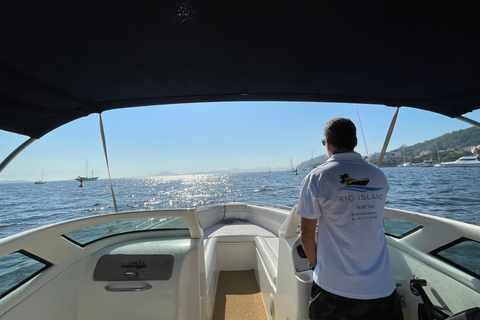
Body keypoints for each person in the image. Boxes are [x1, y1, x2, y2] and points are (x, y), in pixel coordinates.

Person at [297, 118, 403, 320]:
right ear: (355, 141)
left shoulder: (317, 177)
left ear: (327, 144)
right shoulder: (378, 175)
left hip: (335, 289)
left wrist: (314, 264)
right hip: (383, 288)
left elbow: (307, 234)